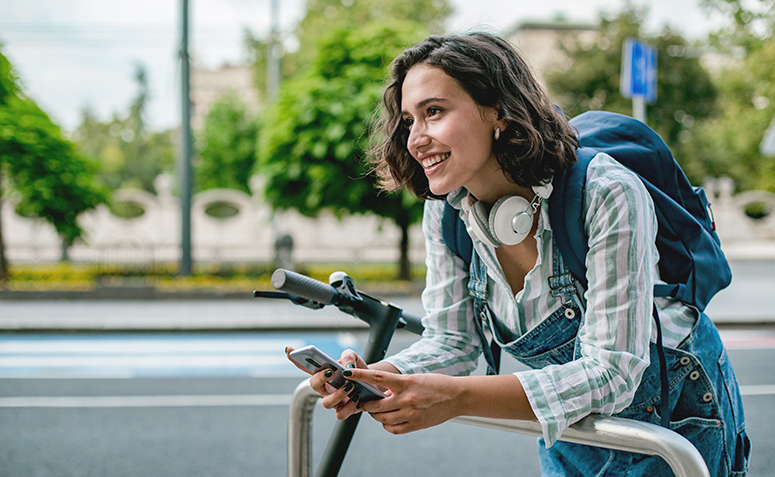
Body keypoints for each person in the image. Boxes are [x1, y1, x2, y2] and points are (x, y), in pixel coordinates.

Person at [286, 32, 750, 476]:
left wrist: (456, 398)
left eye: (434, 111)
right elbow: (454, 343)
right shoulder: (447, 212)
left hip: (676, 422)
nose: (415, 138)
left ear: (499, 112)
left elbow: (612, 370)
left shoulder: (604, 190)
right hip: (575, 426)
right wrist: (381, 375)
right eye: (409, 121)